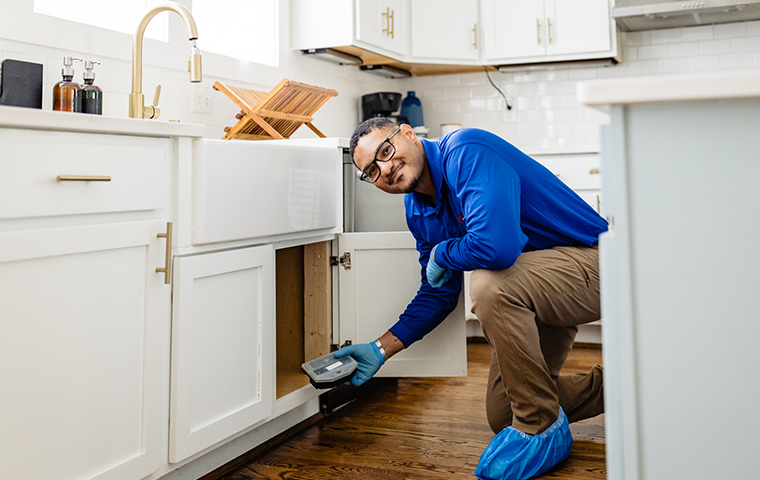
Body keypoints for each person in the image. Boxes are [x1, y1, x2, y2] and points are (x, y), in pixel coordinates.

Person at [333, 117, 606, 479]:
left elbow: (497, 247)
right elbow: (439, 291)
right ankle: (630, 386)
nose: (385, 168)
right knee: (503, 414)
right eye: (371, 171)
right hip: (535, 289)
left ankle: (540, 427)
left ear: (409, 133)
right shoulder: (417, 209)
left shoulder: (466, 151)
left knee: (490, 285)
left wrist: (442, 253)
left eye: (386, 150)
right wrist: (381, 348)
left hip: (600, 264)